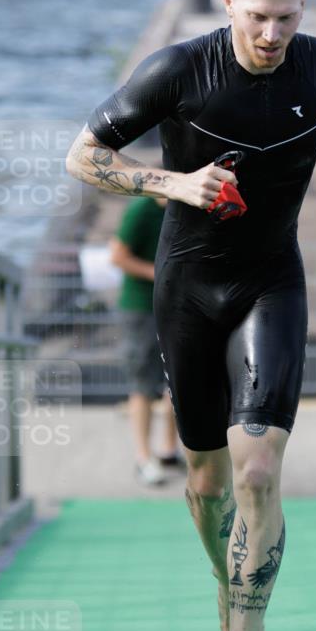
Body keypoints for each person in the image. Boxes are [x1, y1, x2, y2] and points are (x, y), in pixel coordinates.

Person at [66, 0, 316, 631]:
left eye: (285, 17)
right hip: (186, 288)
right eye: (258, 18)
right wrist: (172, 181)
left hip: (272, 280)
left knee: (258, 471)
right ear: (230, 8)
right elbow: (83, 156)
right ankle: (230, 580)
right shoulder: (177, 70)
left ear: (301, 11)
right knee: (207, 485)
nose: (271, 34)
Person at [110, 194, 181, 487]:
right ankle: (143, 458)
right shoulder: (142, 209)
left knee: (177, 382)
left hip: (177, 304)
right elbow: (117, 256)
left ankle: (169, 449)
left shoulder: (187, 205)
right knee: (142, 384)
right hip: (140, 308)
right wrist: (160, 274)